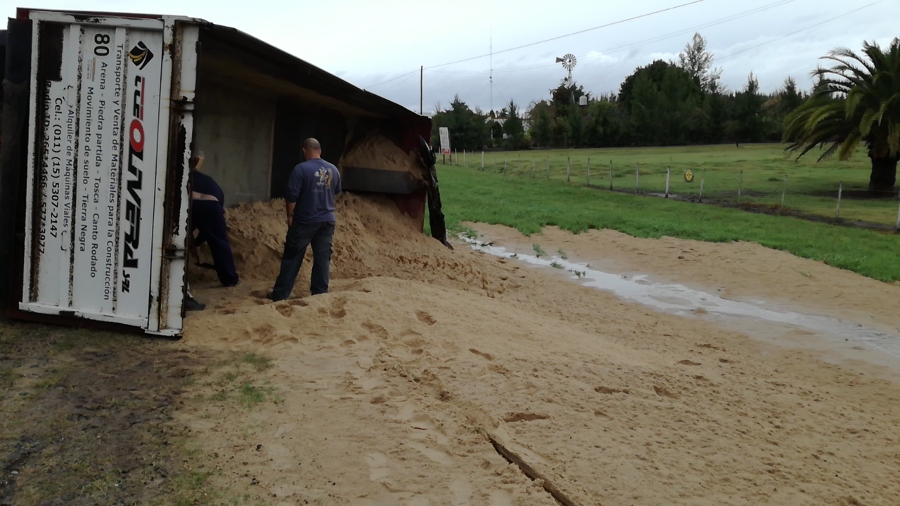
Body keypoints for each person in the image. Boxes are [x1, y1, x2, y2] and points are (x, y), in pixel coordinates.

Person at [268, 138, 342, 301]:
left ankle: (280, 294)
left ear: (304, 151)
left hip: (305, 220)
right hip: (327, 220)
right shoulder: (333, 170)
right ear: (320, 151)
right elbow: (335, 192)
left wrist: (290, 215)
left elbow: (292, 195)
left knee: (292, 257)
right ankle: (320, 293)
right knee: (322, 258)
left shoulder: (300, 169)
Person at [189, 151, 240, 287]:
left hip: (189, 205)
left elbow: (198, 225)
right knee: (219, 242)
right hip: (211, 204)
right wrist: (197, 242)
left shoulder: (182, 176)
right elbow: (208, 228)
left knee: (178, 235)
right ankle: (229, 278)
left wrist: (195, 242)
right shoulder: (207, 180)